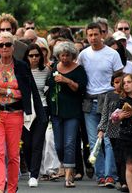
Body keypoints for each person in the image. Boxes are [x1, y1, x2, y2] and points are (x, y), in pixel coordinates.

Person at [0, 31, 44, 193]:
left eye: (8, 44)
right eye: (1, 45)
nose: (4, 48)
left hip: (15, 114)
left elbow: (26, 93)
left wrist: (6, 92)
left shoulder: (22, 66)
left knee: (12, 155)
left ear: (13, 46)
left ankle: (11, 189)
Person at [78, 22, 122, 187]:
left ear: (102, 35)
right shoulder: (83, 55)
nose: (93, 38)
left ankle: (111, 175)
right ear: (86, 36)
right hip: (89, 100)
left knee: (109, 139)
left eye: (96, 34)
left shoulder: (112, 54)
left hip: (109, 99)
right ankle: (101, 175)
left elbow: (119, 77)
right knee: (93, 139)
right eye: (90, 35)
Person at [48, 41, 87, 188]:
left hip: (72, 112)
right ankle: (67, 166)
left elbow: (80, 88)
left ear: (73, 56)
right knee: (58, 145)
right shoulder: (54, 68)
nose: (64, 58)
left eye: (67, 55)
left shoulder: (79, 70)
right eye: (62, 55)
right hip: (56, 112)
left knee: (70, 143)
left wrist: (66, 80)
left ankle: (68, 177)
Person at [21, 43, 51, 187]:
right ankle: (30, 168)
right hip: (25, 109)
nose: (34, 58)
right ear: (26, 57)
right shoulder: (21, 70)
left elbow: (48, 90)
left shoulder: (46, 71)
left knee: (37, 142)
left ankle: (34, 175)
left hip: (42, 108)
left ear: (41, 56)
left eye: (37, 55)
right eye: (31, 55)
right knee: (26, 144)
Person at [97, 71, 127, 191]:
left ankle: (122, 178)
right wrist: (101, 129)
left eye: (122, 82)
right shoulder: (109, 95)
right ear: (112, 83)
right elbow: (104, 114)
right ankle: (109, 176)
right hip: (111, 129)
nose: (119, 85)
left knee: (122, 155)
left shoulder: (127, 96)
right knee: (110, 150)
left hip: (125, 130)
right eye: (116, 82)